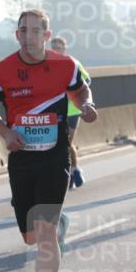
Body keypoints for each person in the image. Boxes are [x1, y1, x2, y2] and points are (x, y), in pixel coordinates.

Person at [0, 9, 97, 272]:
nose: (28, 36)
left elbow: (81, 91)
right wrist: (6, 133)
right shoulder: (3, 70)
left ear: (47, 35)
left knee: (44, 235)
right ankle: (57, 224)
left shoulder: (66, 65)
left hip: (54, 158)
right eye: (23, 31)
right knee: (31, 235)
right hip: (21, 158)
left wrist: (85, 105)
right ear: (16, 35)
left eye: (35, 31)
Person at [51, 36, 91, 189]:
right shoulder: (46, 65)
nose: (55, 51)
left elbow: (87, 80)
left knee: (66, 142)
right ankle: (71, 171)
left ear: (64, 49)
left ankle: (73, 170)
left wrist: (75, 90)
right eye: (53, 48)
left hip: (73, 109)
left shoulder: (72, 63)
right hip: (55, 110)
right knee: (59, 143)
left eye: (58, 48)